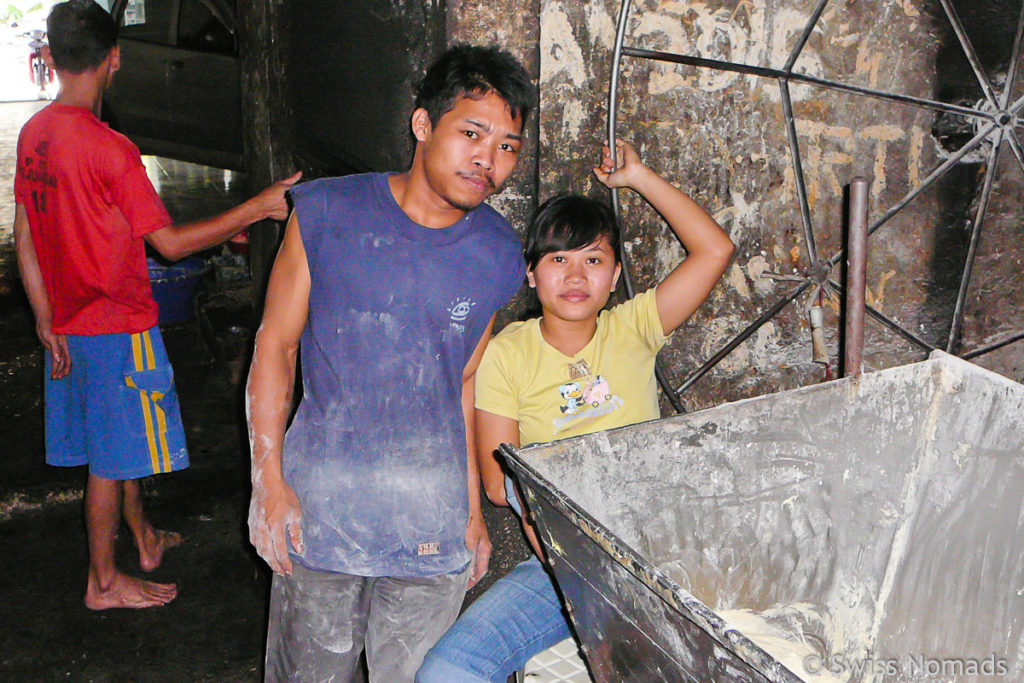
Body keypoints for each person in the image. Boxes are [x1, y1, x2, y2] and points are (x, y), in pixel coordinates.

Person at [245, 44, 533, 682]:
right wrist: (270, 482)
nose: (489, 159)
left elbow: (462, 382)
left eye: (508, 145)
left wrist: (468, 514)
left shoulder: (496, 254)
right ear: (423, 125)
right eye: (473, 133)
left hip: (430, 531)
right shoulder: (327, 214)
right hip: (319, 515)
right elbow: (276, 346)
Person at [12, 0, 299, 611]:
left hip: (68, 323)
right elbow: (169, 245)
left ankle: (141, 536)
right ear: (113, 59)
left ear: (55, 59)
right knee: (109, 465)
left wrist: (42, 316)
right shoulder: (110, 148)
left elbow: (28, 234)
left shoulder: (35, 134)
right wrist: (259, 206)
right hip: (116, 326)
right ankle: (103, 581)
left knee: (115, 441)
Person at [416, 138, 735, 682]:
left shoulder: (633, 328)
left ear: (613, 278)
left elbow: (715, 251)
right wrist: (564, 546)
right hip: (561, 563)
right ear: (531, 274)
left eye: (593, 260)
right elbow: (498, 481)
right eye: (557, 259)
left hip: (654, 559)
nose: (575, 275)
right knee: (449, 671)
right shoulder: (507, 352)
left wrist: (638, 177)